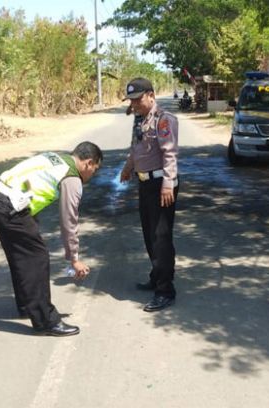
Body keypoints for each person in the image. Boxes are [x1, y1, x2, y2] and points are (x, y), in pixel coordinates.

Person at [0, 141, 102, 336]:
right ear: (88, 163)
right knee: (37, 258)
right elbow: (69, 220)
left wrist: (31, 220)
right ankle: (45, 321)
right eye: (94, 170)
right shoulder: (72, 177)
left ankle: (27, 306)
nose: (92, 175)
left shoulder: (55, 158)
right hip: (9, 207)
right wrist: (74, 259)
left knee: (20, 255)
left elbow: (30, 185)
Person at [120, 77, 179, 312]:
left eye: (138, 99)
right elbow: (136, 149)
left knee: (161, 237)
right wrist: (127, 168)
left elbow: (170, 153)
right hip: (145, 184)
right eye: (131, 101)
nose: (134, 104)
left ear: (151, 95)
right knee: (149, 234)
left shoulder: (164, 120)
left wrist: (168, 184)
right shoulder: (139, 119)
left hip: (161, 186)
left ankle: (165, 291)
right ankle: (157, 276)